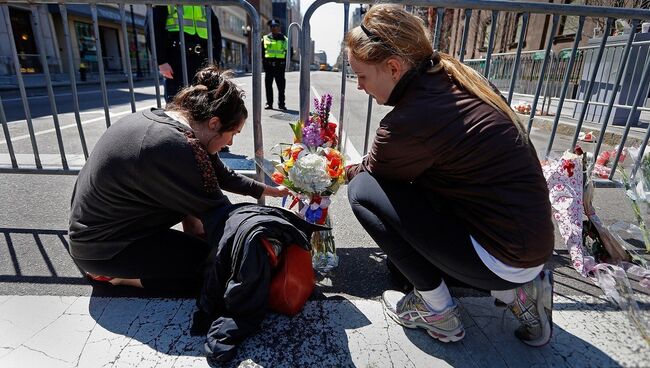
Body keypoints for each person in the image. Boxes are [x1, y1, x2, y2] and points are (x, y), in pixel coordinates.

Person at [345, 5, 555, 347]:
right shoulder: (456, 77)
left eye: (362, 75)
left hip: (500, 256)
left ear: (394, 68)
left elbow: (372, 174)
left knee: (362, 190)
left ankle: (437, 311)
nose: (359, 86)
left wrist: (337, 168)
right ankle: (519, 291)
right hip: (530, 247)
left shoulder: (408, 121)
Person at [68, 65, 290, 295]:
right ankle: (122, 278)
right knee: (219, 274)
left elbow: (221, 175)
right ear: (214, 123)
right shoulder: (176, 147)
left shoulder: (168, 124)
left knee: (199, 216)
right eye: (233, 134)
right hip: (106, 250)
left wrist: (268, 190)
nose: (231, 144)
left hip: (103, 236)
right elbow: (221, 213)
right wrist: (268, 241)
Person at [151, 5, 222, 103]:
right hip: (176, 59)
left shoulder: (202, 2)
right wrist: (161, 61)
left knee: (205, 103)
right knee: (176, 104)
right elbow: (154, 28)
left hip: (203, 59)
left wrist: (215, 60)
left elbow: (216, 33)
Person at [262, 19, 288, 110]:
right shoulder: (265, 38)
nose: (274, 28)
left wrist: (285, 63)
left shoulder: (285, 39)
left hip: (280, 67)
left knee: (281, 87)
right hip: (269, 67)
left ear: (279, 27)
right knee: (268, 86)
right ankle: (269, 103)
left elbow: (289, 53)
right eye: (272, 27)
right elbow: (262, 52)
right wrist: (264, 64)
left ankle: (281, 104)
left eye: (275, 26)